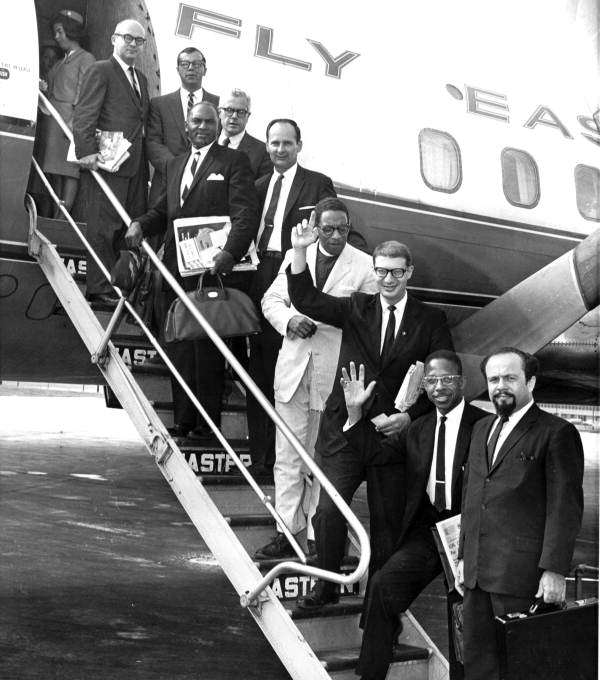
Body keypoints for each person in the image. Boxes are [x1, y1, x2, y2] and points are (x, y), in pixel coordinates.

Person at [287, 217, 454, 609]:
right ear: (374, 271)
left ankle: (378, 603)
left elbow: (445, 377)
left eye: (396, 272)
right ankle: (326, 586)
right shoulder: (357, 307)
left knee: (388, 527)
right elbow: (307, 300)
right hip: (346, 428)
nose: (388, 280)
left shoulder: (430, 320)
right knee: (328, 512)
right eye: (381, 272)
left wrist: (411, 418)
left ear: (408, 272)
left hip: (393, 438)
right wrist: (298, 252)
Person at [342, 350, 487, 680]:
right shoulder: (419, 428)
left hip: (469, 530)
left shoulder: (483, 425)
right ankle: (371, 674)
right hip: (429, 530)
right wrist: (354, 413)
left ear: (461, 383)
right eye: (431, 381)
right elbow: (375, 455)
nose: (438, 387)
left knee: (463, 614)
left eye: (447, 379)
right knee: (382, 584)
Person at [125, 102, 259, 441]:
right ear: (186, 125)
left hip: (210, 272)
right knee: (180, 347)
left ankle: (207, 425)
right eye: (196, 120)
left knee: (207, 352)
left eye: (209, 121)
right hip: (174, 272)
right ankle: (184, 422)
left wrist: (230, 254)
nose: (202, 126)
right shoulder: (174, 164)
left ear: (219, 126)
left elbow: (245, 215)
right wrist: (141, 223)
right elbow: (163, 211)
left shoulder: (233, 162)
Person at [255, 197, 377, 559]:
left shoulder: (365, 266)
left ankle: (313, 536)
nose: (336, 235)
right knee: (287, 456)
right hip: (293, 370)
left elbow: (368, 320)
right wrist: (288, 321)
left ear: (349, 227)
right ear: (316, 227)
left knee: (320, 459)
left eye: (342, 229)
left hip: (334, 374)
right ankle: (286, 531)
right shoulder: (300, 255)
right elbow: (271, 300)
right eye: (328, 229)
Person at [456, 347, 584, 680]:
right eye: (494, 379)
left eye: (510, 378)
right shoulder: (482, 428)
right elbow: (473, 496)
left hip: (522, 576)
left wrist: (554, 570)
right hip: (476, 574)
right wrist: (461, 555)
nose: (501, 385)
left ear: (531, 381)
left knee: (523, 668)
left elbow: (565, 507)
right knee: (479, 666)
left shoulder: (556, 432)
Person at [246, 118, 336, 473]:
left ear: (299, 145)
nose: (279, 149)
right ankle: (261, 459)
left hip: (293, 276)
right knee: (259, 370)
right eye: (273, 143)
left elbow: (334, 229)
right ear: (266, 146)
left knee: (291, 373)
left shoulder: (316, 184)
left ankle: (293, 461)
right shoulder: (257, 185)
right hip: (258, 275)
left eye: (286, 143)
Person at [72, 19, 150, 305]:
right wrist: (87, 151)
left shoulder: (140, 78)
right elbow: (84, 113)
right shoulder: (100, 70)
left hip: (133, 165)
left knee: (123, 227)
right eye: (127, 38)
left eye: (138, 41)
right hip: (105, 163)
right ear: (114, 39)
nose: (132, 44)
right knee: (103, 227)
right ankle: (98, 287)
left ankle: (116, 285)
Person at [38, 10, 95, 217]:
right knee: (56, 173)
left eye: (60, 31)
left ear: (72, 31)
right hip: (53, 121)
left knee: (69, 172)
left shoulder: (86, 58)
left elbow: (84, 91)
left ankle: (63, 219)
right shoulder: (62, 61)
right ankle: (56, 217)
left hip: (66, 122)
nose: (57, 36)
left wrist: (74, 121)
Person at [146, 47, 219, 205]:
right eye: (185, 64)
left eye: (196, 64)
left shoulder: (217, 104)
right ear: (178, 69)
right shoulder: (160, 104)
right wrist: (178, 170)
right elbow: (153, 143)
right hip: (165, 185)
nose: (191, 68)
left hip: (204, 186)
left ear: (205, 70)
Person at [217, 89, 272, 180]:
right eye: (229, 110)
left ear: (248, 116)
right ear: (219, 113)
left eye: (241, 112)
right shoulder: (206, 144)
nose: (234, 116)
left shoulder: (263, 152)